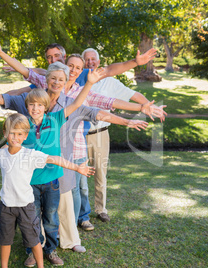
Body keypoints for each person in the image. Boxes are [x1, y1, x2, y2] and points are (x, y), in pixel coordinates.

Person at [0, 38, 150, 266]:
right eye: (53, 78)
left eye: (62, 78)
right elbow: (6, 97)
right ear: (45, 82)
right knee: (32, 218)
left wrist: (129, 119)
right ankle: (32, 250)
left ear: (68, 80)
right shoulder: (31, 100)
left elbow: (99, 109)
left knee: (52, 216)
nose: (57, 82)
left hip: (53, 173)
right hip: (28, 178)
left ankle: (52, 248)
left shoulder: (59, 112)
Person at [0, 113, 95, 268]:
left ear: (25, 136)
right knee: (5, 239)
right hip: (6, 206)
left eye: (19, 134)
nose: (15, 137)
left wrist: (77, 167)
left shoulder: (30, 155)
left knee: (33, 240)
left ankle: (40, 265)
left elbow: (54, 159)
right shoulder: (0, 154)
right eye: (11, 133)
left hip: (26, 206)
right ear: (5, 134)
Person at [73, 47, 167, 226]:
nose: (91, 62)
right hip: (80, 135)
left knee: (100, 174)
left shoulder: (111, 82)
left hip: (101, 134)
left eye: (94, 59)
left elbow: (133, 95)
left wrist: (149, 106)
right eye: (87, 59)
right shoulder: (77, 80)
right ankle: (81, 215)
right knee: (81, 177)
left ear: (99, 62)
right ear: (83, 63)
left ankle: (101, 209)